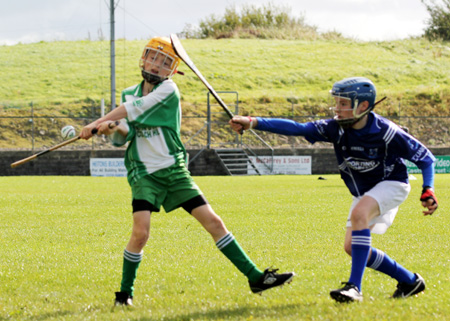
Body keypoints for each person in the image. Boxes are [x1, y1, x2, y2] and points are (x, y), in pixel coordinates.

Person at [80, 37, 294, 307]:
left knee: (214, 223)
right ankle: (124, 295)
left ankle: (256, 277)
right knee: (140, 233)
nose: (157, 66)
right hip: (144, 173)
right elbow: (125, 135)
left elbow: (135, 110)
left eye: (165, 62)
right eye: (154, 58)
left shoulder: (168, 91)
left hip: (174, 170)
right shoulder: (128, 94)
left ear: (172, 69)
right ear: (144, 58)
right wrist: (113, 128)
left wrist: (98, 122)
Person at [229, 77, 438, 303]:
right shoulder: (335, 129)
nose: (337, 108)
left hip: (392, 184)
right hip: (364, 192)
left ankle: (354, 288)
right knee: (353, 247)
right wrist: (253, 122)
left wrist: (428, 189)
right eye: (336, 102)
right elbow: (297, 128)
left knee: (359, 216)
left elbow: (426, 159)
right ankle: (409, 280)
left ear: (364, 106)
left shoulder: (386, 132)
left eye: (343, 103)